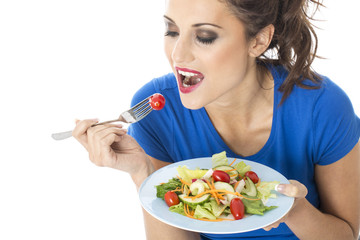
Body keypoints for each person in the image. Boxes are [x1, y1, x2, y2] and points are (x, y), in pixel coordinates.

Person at [72, 0, 360, 239]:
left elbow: (347, 233)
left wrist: (296, 211)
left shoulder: (321, 106)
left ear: (259, 40)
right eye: (172, 30)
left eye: (205, 37)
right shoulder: (157, 109)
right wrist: (143, 174)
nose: (178, 55)